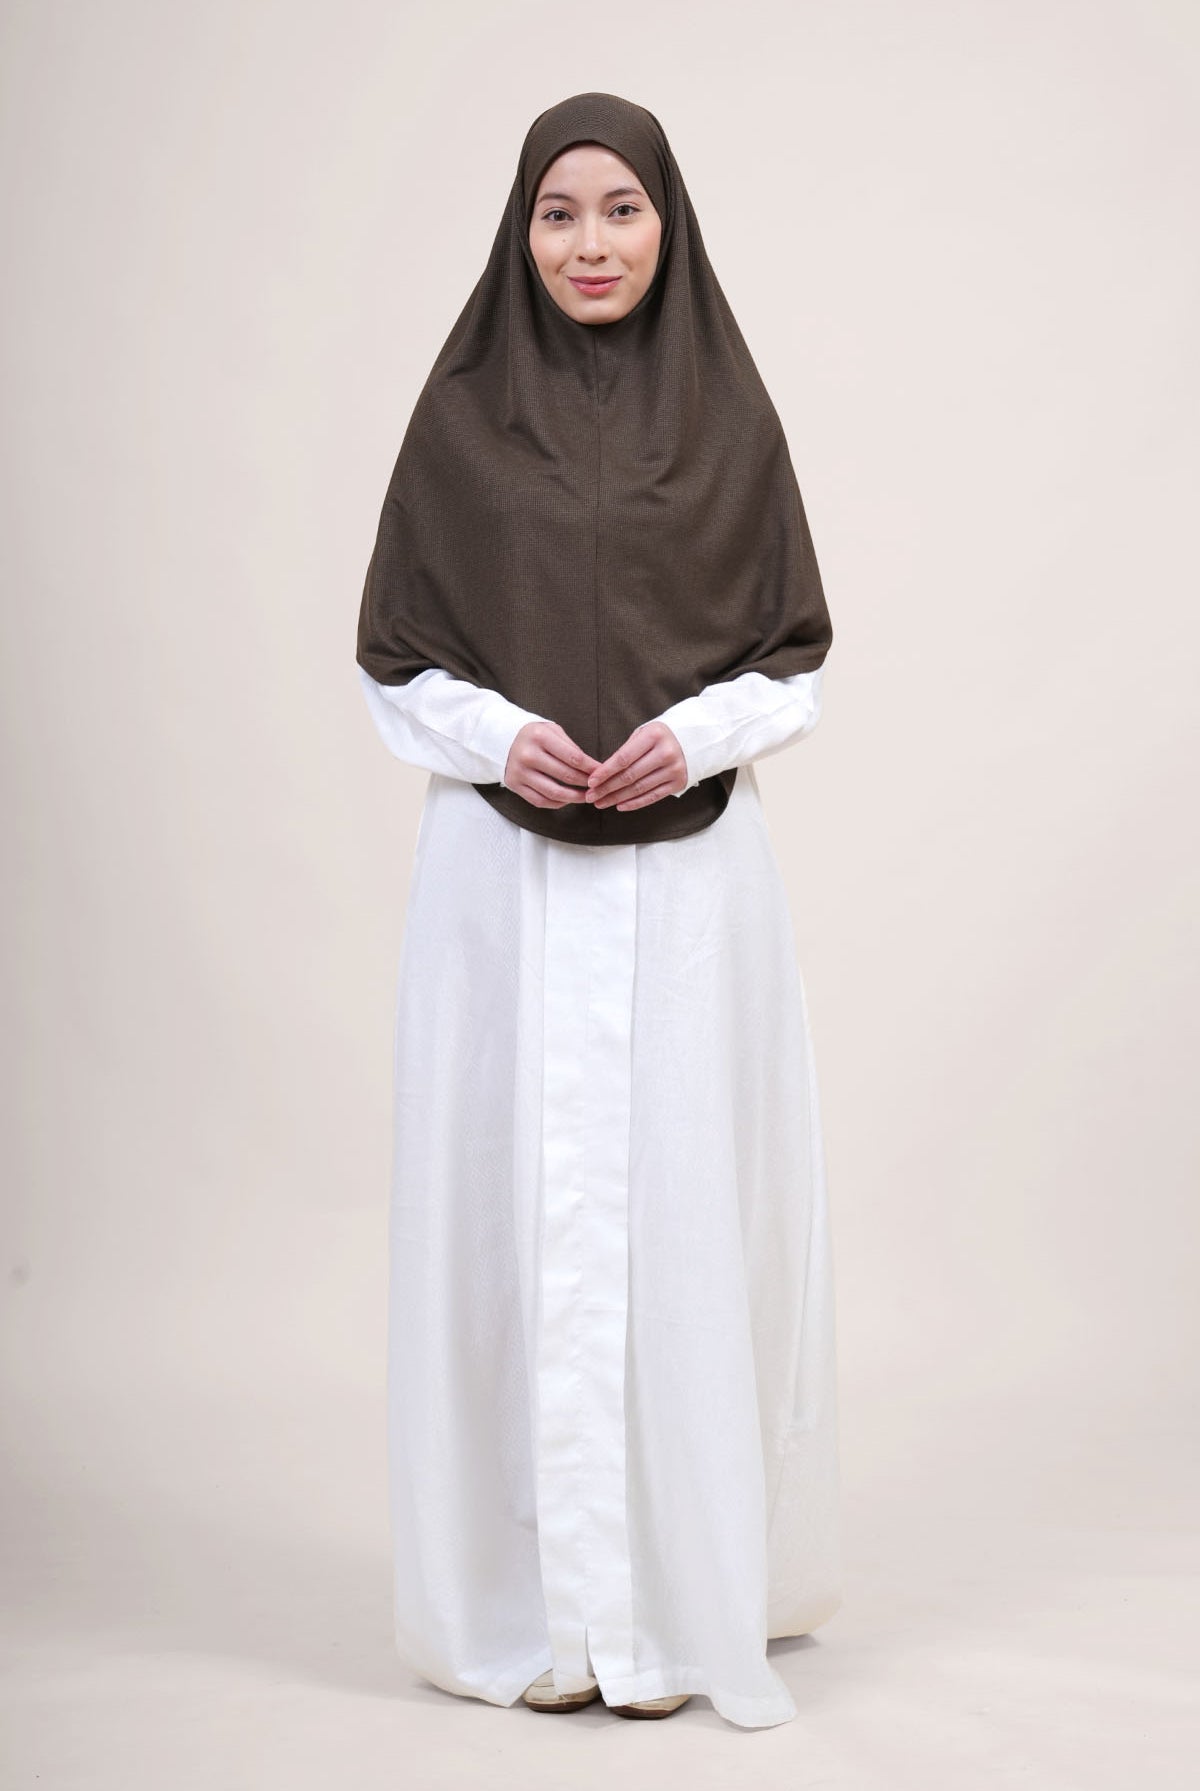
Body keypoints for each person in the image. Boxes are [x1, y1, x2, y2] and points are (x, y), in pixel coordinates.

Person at [355, 91, 841, 1730]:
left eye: (621, 210)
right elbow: (397, 653)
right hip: (498, 892)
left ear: (667, 226)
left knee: (685, 1210)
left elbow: (792, 654)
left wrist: (689, 737)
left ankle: (675, 1603)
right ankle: (536, 1615)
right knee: (508, 1222)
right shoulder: (456, 425)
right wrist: (501, 736)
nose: (589, 244)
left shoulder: (734, 422)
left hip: (690, 887)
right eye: (558, 213)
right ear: (521, 232)